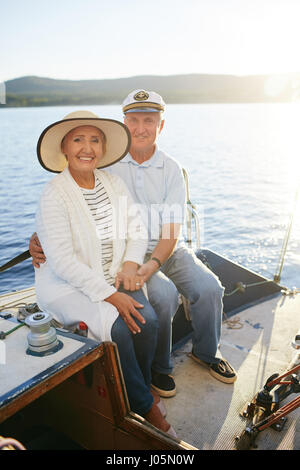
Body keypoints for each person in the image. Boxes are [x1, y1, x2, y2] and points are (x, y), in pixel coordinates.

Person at [30, 90, 237, 399]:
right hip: (127, 254)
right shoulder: (106, 164)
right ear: (124, 124)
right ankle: (159, 368)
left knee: (210, 288)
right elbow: (72, 202)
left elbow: (171, 232)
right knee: (164, 296)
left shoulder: (171, 170)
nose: (142, 128)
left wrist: (149, 265)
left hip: (166, 249)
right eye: (135, 120)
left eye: (150, 121)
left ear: (161, 126)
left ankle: (207, 353)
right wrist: (38, 238)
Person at [33, 110, 176, 437]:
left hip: (116, 273)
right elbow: (63, 262)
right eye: (78, 140)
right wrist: (112, 296)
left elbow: (137, 230)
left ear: (103, 147)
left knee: (148, 321)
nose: (87, 147)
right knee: (121, 329)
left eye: (95, 140)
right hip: (68, 285)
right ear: (65, 149)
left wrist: (129, 264)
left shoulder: (112, 183)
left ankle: (136, 387)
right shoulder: (54, 194)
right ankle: (144, 406)